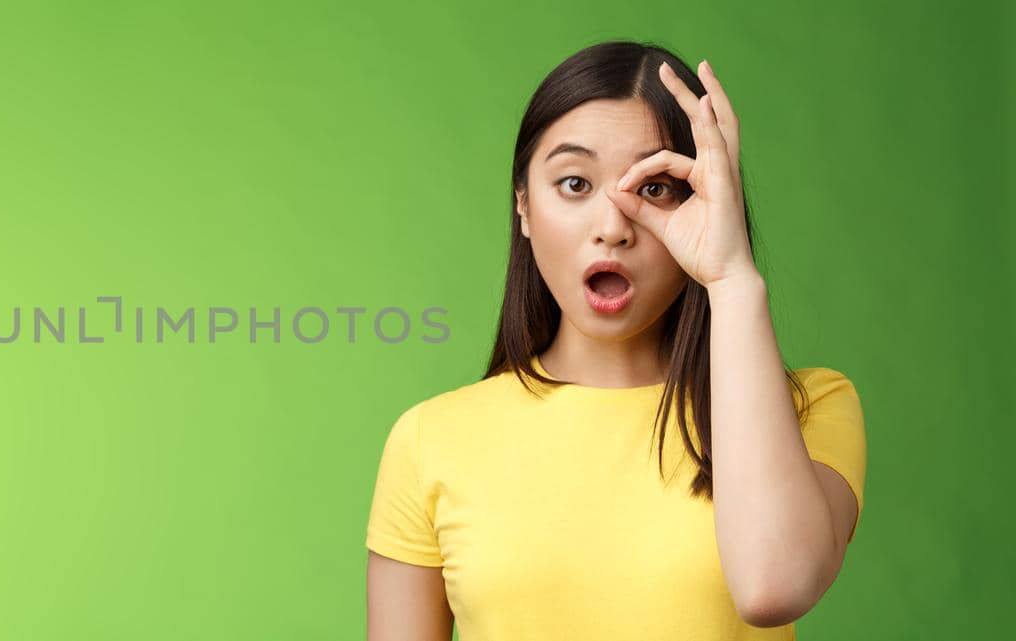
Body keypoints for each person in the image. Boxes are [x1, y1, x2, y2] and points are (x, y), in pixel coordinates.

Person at [364, 40, 867, 641]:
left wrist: (730, 280)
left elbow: (773, 588)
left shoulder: (809, 409)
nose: (612, 227)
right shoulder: (429, 440)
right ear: (523, 206)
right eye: (574, 183)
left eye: (655, 187)